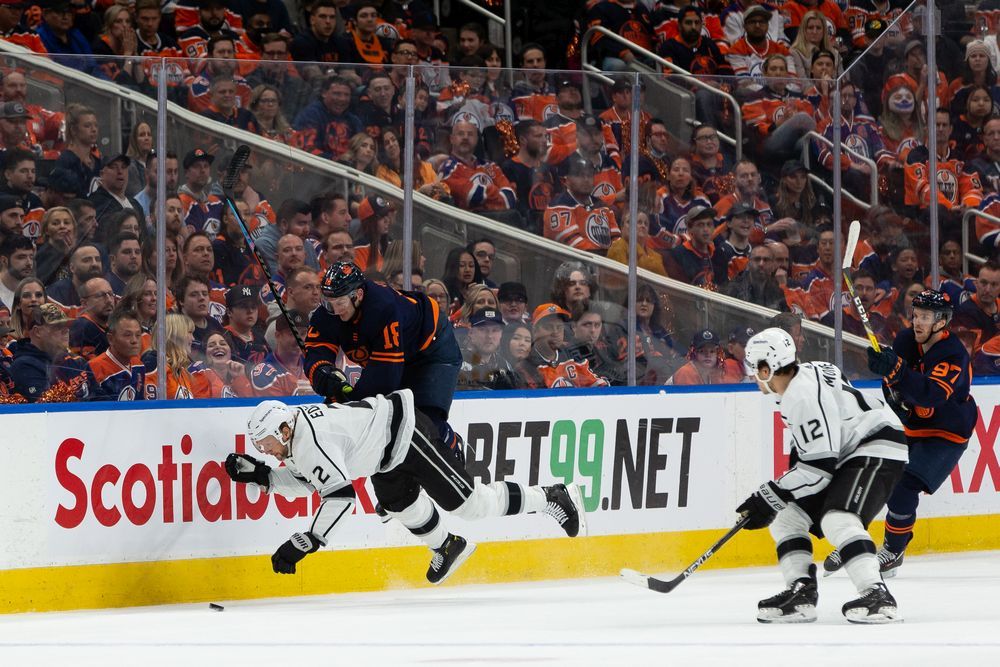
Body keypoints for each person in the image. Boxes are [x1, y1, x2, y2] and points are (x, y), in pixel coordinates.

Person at [226, 391, 586, 582]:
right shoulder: (297, 433)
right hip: (383, 455)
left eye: (266, 443)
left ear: (284, 430)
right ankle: (447, 545)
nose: (265, 450)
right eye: (259, 447)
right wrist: (266, 477)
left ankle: (552, 496)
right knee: (399, 504)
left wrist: (308, 540)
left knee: (470, 506)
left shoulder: (308, 442)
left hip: (407, 437)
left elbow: (340, 496)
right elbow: (313, 478)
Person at [737, 327, 907, 624]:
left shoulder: (799, 398)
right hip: (851, 450)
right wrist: (777, 497)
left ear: (767, 368)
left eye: (755, 369)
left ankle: (877, 594)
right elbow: (817, 449)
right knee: (786, 515)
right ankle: (800, 592)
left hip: (877, 444)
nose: (753, 376)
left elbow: (817, 470)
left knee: (838, 518)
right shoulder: (807, 373)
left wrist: (768, 495)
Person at [824, 290, 977, 579]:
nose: (918, 322)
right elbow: (893, 385)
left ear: (942, 321)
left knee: (903, 486)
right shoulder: (907, 340)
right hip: (912, 426)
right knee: (875, 473)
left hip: (946, 433)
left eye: (926, 317)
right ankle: (855, 539)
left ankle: (893, 550)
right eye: (916, 315)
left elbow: (930, 394)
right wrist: (890, 378)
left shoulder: (953, 354)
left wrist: (896, 370)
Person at [305, 261, 464, 452]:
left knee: (422, 421)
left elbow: (384, 378)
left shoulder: (383, 309)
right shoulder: (330, 309)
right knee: (391, 425)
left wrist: (348, 402)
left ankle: (453, 450)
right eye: (328, 303)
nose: (335, 311)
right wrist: (322, 371)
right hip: (400, 353)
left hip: (434, 349)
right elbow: (316, 347)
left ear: (358, 295)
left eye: (340, 303)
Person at [87, 308, 145, 401]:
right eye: (127, 335)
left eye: (138, 335)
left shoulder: (139, 365)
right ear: (111, 339)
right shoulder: (94, 368)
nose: (134, 341)